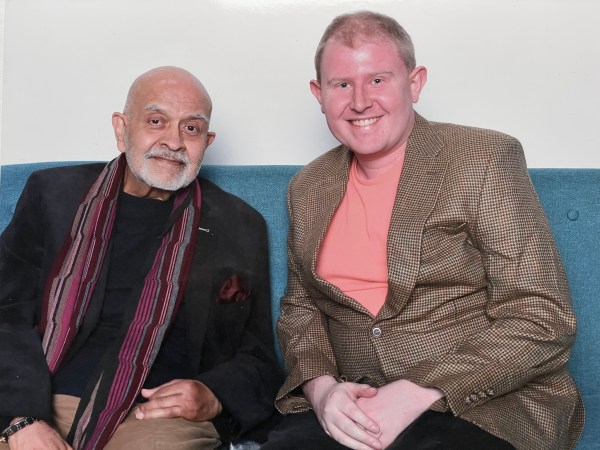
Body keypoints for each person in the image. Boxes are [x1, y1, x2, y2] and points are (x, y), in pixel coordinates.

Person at [262, 10, 584, 450]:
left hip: (481, 404)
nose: (360, 101)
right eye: (342, 85)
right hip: (357, 405)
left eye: (378, 80)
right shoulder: (306, 187)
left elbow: (543, 315)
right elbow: (301, 310)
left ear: (414, 84)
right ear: (319, 94)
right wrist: (322, 391)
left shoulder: (483, 159)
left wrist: (418, 392)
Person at [0, 66, 281, 450]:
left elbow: (259, 356)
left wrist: (214, 393)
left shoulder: (238, 225)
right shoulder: (53, 195)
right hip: (38, 397)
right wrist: (21, 419)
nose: (174, 141)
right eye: (156, 121)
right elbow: (6, 312)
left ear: (207, 141)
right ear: (121, 129)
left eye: (191, 128)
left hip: (153, 416)